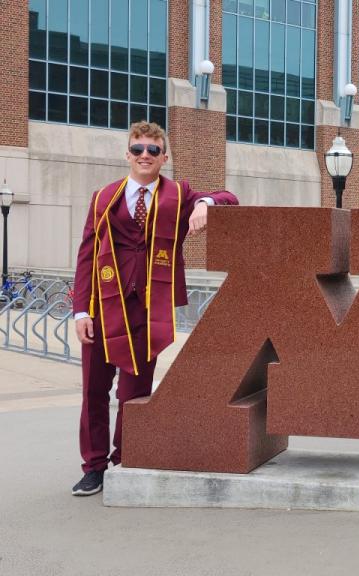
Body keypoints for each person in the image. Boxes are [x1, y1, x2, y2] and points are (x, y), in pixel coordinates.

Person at [71, 121, 238, 496]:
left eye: (152, 150)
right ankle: (94, 466)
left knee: (133, 393)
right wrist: (80, 310)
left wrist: (205, 204)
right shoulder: (103, 198)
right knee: (93, 392)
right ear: (126, 154)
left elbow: (230, 197)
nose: (144, 155)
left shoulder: (177, 196)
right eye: (137, 149)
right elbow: (86, 256)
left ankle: (123, 459)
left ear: (164, 157)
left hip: (146, 310)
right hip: (102, 306)